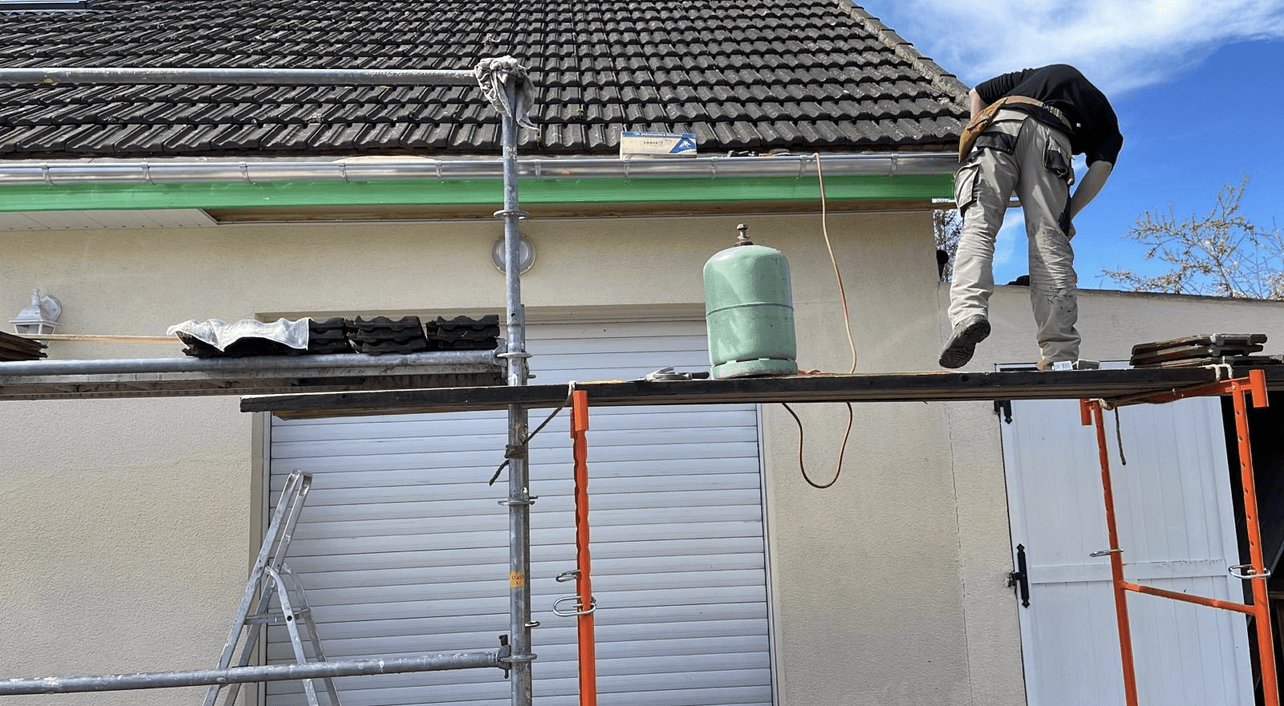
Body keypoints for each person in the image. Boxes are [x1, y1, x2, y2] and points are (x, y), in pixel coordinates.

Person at [939, 64, 1122, 370]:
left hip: (997, 126)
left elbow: (977, 93)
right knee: (1050, 242)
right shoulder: (1103, 114)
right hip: (1052, 138)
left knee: (979, 227)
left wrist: (976, 129)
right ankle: (1060, 352)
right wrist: (1068, 215)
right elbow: (1101, 167)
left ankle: (968, 313)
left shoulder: (1031, 77)